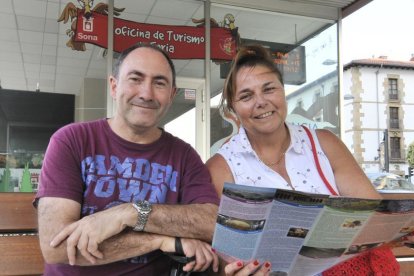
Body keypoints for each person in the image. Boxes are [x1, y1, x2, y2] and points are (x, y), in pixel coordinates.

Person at [206, 44, 403, 276]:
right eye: (246, 96)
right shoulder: (221, 167)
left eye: (269, 89)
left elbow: (374, 216)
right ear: (233, 109)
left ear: (282, 91)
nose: (260, 102)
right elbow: (221, 255)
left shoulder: (325, 143)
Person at [35, 43, 220, 275]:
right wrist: (159, 240)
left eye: (159, 83)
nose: (146, 93)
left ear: (172, 95)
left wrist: (130, 213)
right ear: (114, 86)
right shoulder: (71, 141)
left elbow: (212, 223)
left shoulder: (184, 156)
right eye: (135, 79)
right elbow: (57, 247)